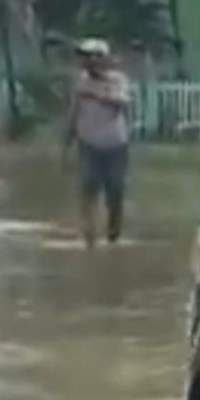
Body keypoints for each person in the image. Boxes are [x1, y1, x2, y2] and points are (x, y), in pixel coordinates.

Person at [65, 39, 132, 246]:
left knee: (115, 191)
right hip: (88, 145)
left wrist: (96, 93)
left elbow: (122, 104)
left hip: (115, 146)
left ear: (102, 59)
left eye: (92, 57)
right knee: (89, 188)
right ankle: (89, 237)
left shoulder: (118, 80)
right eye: (84, 57)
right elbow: (74, 113)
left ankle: (114, 235)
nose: (87, 62)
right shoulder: (80, 82)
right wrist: (66, 143)